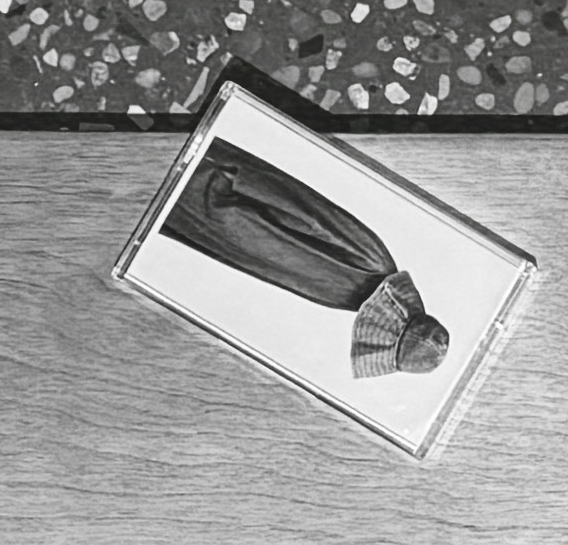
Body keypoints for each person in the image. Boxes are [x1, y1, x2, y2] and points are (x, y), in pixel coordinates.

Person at [163, 139, 450, 378]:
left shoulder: (354, 299)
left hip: (211, 225)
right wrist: (235, 176)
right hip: (214, 187)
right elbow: (306, 213)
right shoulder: (374, 261)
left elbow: (268, 264)